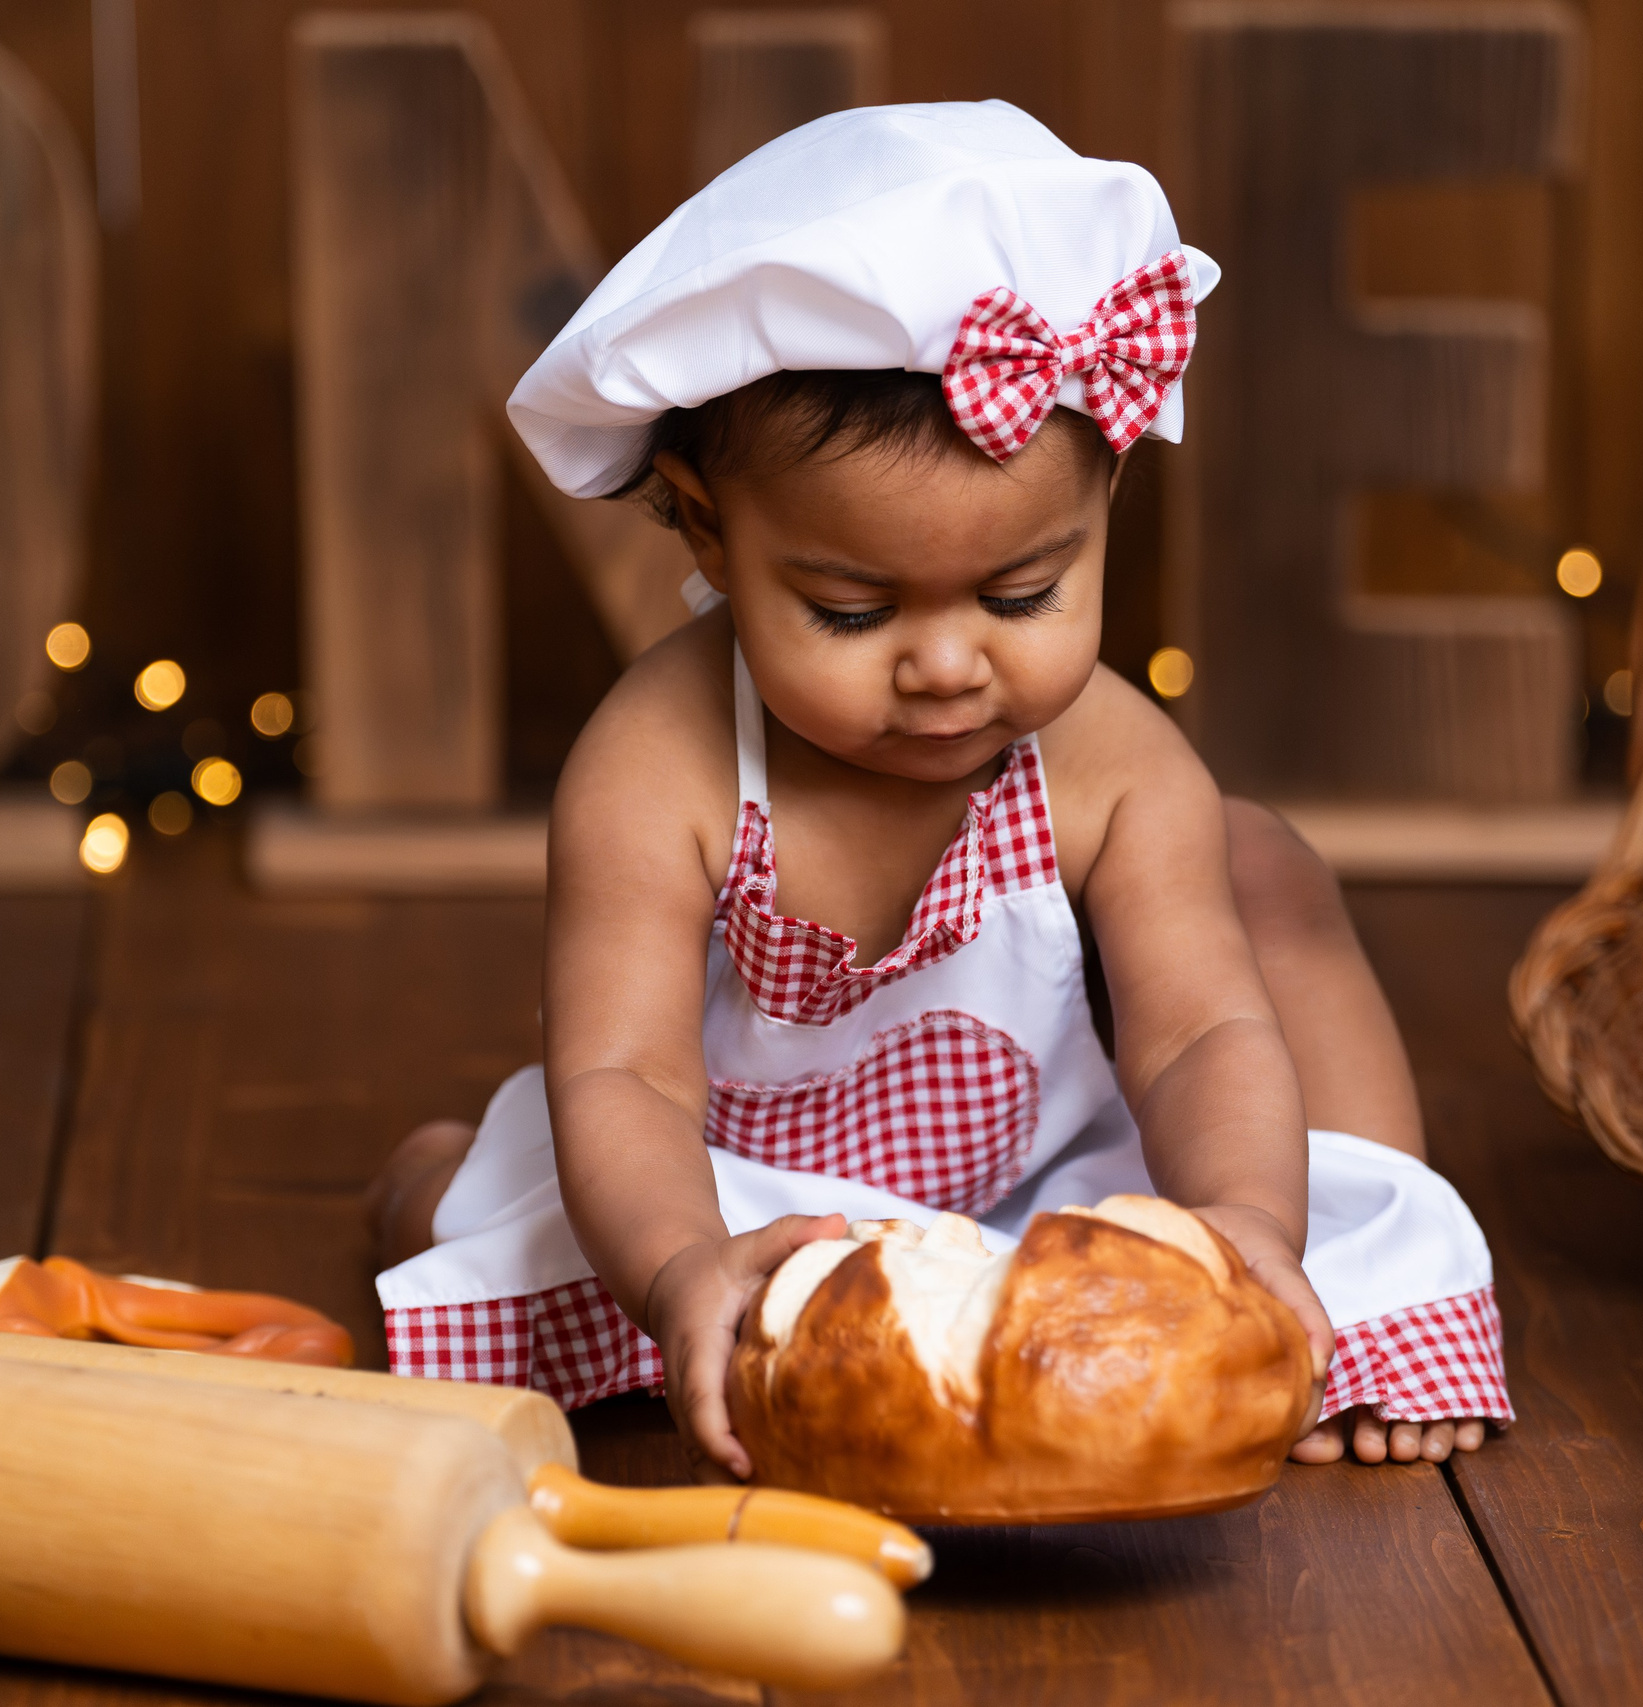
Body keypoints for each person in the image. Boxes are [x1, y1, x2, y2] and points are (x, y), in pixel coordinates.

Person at [369, 101, 1510, 1471]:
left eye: (1025, 593)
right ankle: (425, 1181)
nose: (949, 666)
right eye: (853, 612)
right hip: (749, 1195)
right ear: (714, 532)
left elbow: (1198, 1034)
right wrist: (683, 1270)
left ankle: (1303, 1295)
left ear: (1105, 511)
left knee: (1267, 1189)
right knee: (526, 1234)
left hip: (1039, 1185)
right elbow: (625, 1073)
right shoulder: (655, 764)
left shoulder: (1112, 759)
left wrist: (1243, 1232)